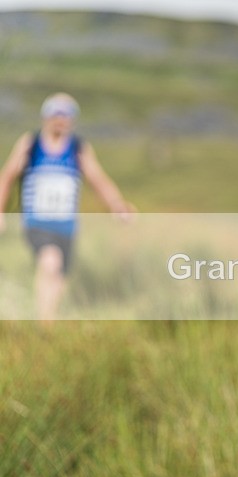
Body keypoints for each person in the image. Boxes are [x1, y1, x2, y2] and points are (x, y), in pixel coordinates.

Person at [0, 92, 134, 321]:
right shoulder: (31, 145)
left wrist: (117, 204)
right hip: (36, 224)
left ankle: (48, 321)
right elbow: (7, 177)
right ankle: (44, 328)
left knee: (60, 280)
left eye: (66, 115)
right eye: (55, 114)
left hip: (66, 228)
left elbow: (98, 180)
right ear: (46, 116)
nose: (60, 120)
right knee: (50, 262)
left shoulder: (78, 149)